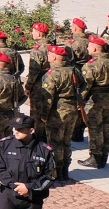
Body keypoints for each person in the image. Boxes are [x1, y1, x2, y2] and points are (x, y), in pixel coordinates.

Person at [0, 114, 55, 209]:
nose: (16, 131)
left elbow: (50, 176)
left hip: (33, 197)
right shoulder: (4, 144)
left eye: (20, 129)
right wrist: (15, 186)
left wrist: (28, 188)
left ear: (31, 130)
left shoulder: (44, 150)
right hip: (8, 195)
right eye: (15, 128)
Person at [40, 45, 81, 180]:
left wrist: (43, 116)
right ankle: (65, 170)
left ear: (55, 57)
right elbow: (84, 85)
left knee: (55, 143)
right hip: (72, 109)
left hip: (57, 112)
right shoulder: (73, 70)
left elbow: (47, 98)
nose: (48, 56)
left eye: (50, 54)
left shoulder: (51, 74)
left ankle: (57, 171)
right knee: (67, 141)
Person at [78, 36, 109, 168]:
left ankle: (95, 156)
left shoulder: (90, 65)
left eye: (89, 46)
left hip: (95, 99)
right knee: (107, 126)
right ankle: (105, 154)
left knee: (95, 128)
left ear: (95, 48)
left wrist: (80, 100)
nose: (87, 48)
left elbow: (86, 85)